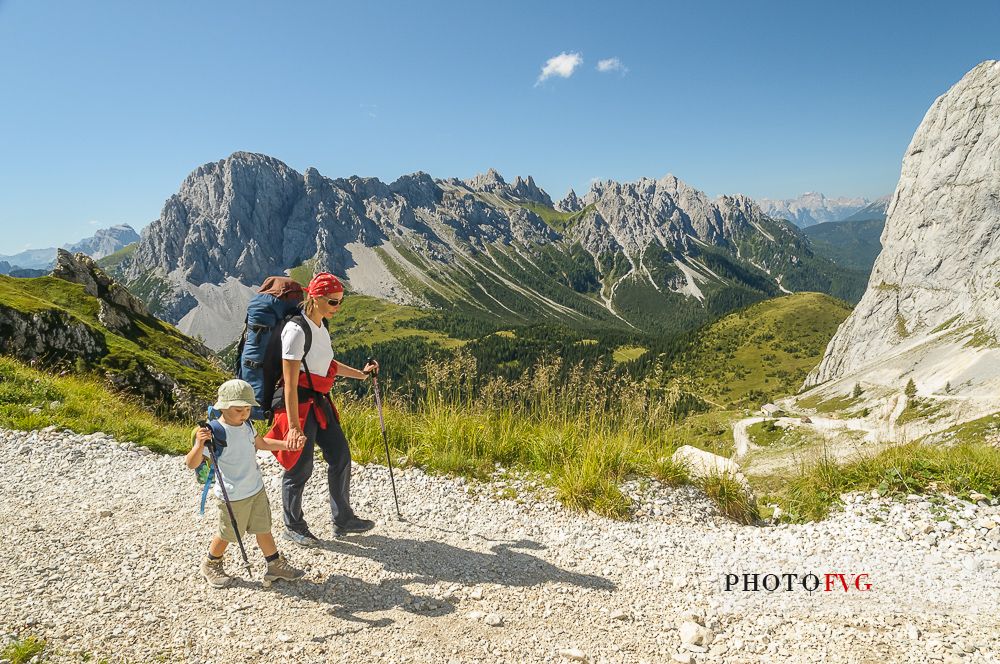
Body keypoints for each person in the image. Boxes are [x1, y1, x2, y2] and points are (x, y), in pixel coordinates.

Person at [267, 272, 379, 546]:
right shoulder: (295, 330)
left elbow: (328, 364)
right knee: (300, 467)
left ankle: (343, 519)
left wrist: (361, 375)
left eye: (340, 301)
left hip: (319, 400)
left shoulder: (320, 326)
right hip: (298, 404)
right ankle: (292, 525)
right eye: (332, 302)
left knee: (340, 455)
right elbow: (290, 384)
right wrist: (293, 427)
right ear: (314, 298)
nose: (337, 308)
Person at [185, 378, 305, 588]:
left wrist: (287, 446)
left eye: (248, 408)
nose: (244, 413)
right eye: (238, 409)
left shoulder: (247, 425)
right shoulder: (215, 432)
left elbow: (260, 443)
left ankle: (274, 564)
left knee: (263, 528)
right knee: (228, 534)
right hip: (232, 496)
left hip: (255, 489)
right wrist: (198, 444)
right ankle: (211, 564)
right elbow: (191, 463)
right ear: (223, 407)